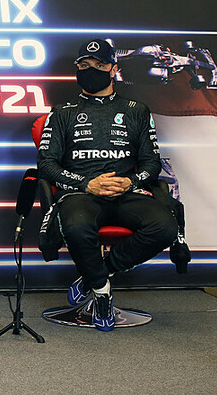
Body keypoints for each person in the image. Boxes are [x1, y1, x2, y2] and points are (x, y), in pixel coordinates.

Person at [37, 39, 178, 331]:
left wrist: (130, 181)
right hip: (81, 193)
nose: (91, 70)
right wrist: (87, 183)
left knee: (165, 227)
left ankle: (96, 275)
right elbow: (47, 165)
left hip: (126, 192)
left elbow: (152, 163)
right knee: (76, 225)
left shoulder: (136, 110)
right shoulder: (62, 112)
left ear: (113, 69)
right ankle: (102, 292)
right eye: (84, 65)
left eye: (99, 65)